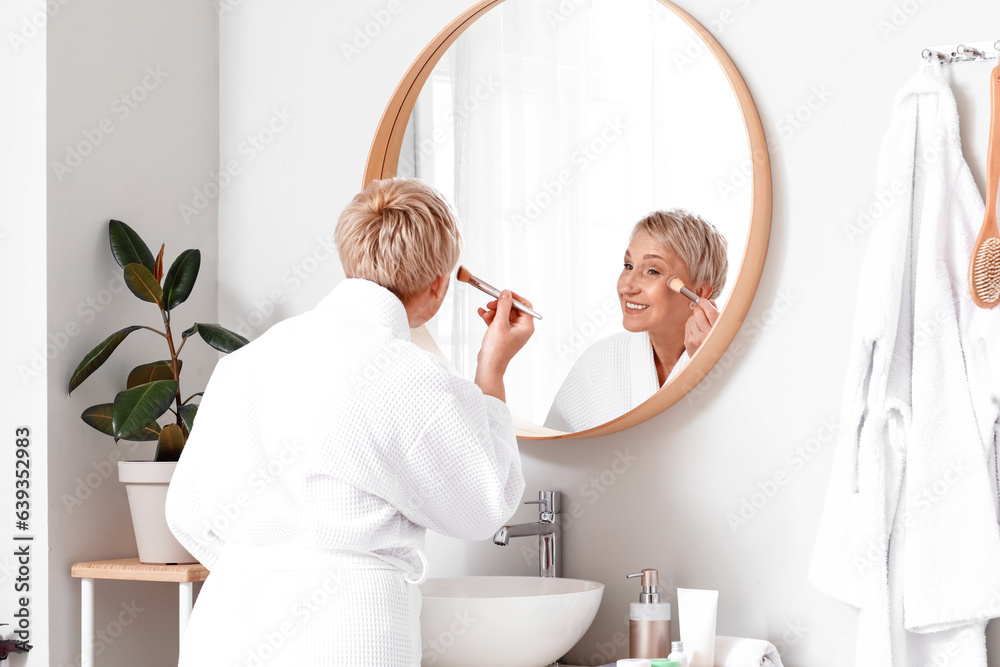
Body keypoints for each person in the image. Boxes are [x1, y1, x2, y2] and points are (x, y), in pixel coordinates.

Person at [165, 178, 534, 666]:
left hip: (224, 633)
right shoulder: (410, 375)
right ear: (439, 283)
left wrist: (268, 571)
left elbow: (185, 514)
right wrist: (492, 372)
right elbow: (483, 504)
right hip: (346, 632)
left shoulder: (245, 363)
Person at [544, 209, 727, 432]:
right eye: (628, 266)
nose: (626, 287)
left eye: (652, 271)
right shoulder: (598, 362)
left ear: (698, 291)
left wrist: (708, 366)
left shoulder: (733, 364)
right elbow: (556, 454)